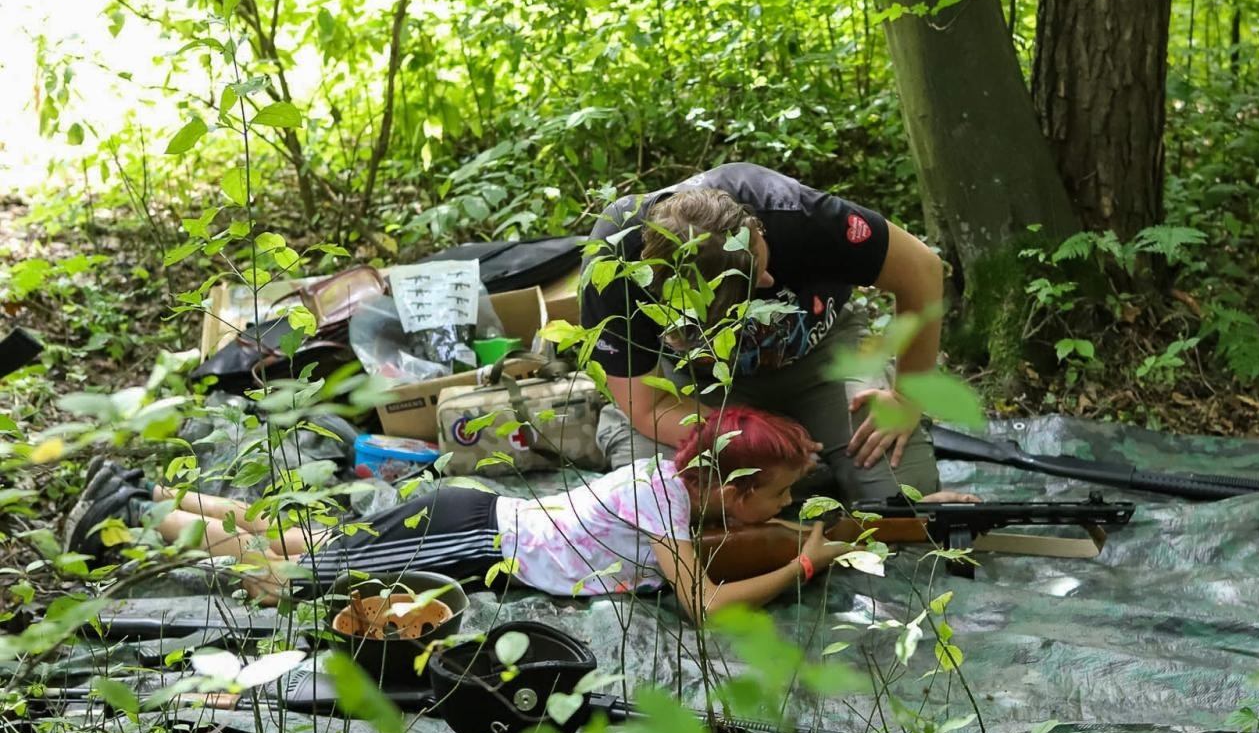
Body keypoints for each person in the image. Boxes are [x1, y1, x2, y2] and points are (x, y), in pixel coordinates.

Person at [65, 408, 872, 624]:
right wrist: (805, 560)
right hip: (474, 533)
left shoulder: (669, 473)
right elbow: (703, 607)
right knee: (296, 578)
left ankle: (149, 500)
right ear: (731, 493)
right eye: (777, 495)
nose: (787, 506)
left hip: (473, 513)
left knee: (311, 542)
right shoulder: (665, 501)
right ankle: (126, 527)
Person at [580, 162, 947, 503]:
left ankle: (810, 464)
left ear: (753, 225)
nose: (770, 281)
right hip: (698, 384)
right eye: (754, 285)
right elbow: (649, 406)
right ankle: (799, 472)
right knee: (664, 505)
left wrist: (906, 397)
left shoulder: (792, 212)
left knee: (903, 499)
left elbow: (922, 269)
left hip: (822, 356)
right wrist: (759, 441)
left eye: (763, 260)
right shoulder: (615, 263)